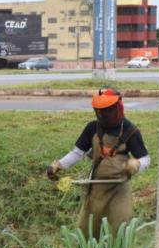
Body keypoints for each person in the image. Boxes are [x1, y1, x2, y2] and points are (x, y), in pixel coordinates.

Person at [46, 87, 151, 239]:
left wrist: (136, 165)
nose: (104, 114)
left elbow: (145, 159)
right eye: (101, 111)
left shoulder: (130, 131)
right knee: (87, 230)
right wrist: (58, 165)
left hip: (119, 189)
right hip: (96, 188)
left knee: (119, 230)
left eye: (108, 110)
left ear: (118, 107)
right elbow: (78, 152)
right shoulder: (92, 128)